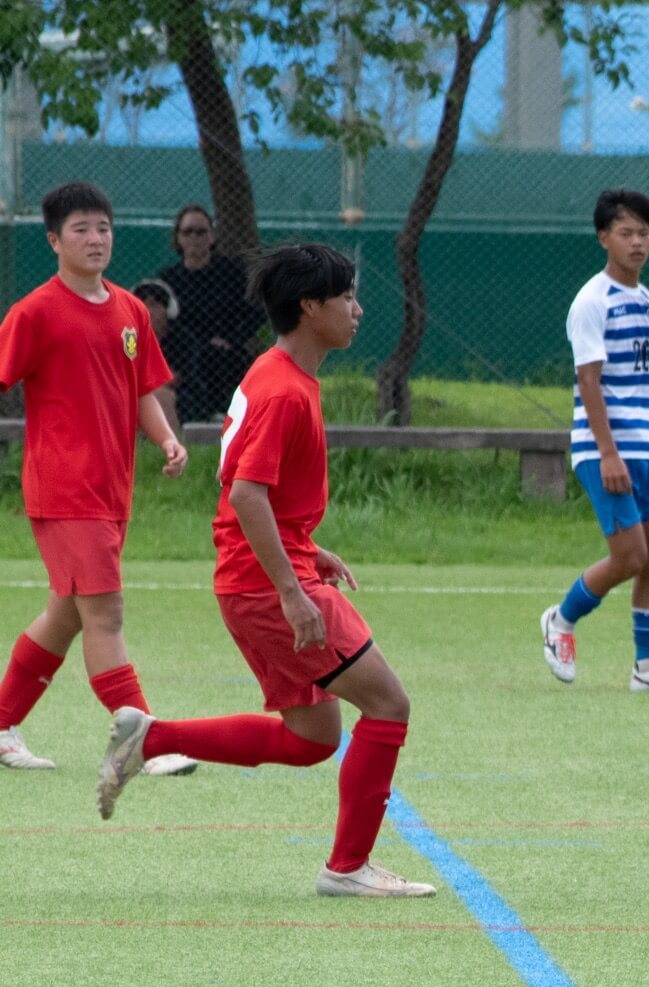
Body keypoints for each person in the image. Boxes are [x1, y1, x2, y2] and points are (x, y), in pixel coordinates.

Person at [96, 242, 436, 898]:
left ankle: (151, 738)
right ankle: (348, 868)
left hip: (256, 577)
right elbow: (247, 494)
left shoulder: (277, 373)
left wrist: (306, 544)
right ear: (310, 307)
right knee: (389, 704)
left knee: (313, 738)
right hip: (265, 587)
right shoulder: (283, 389)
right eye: (347, 297)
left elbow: (248, 490)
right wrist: (292, 589)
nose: (358, 310)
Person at [0, 182, 195, 777]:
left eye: (103, 228)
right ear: (54, 240)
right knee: (104, 615)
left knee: (65, 615)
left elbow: (141, 390)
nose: (95, 238)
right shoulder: (34, 312)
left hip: (112, 492)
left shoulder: (131, 311)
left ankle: (1, 725)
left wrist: (166, 438)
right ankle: (143, 741)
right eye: (81, 229)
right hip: (64, 490)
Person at [539, 188, 649, 694]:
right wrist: (608, 452)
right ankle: (560, 620)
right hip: (606, 450)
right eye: (626, 233)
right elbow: (589, 381)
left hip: (648, 451)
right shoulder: (592, 300)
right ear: (603, 237)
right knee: (630, 556)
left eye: (644, 233)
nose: (637, 242)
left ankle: (647, 671)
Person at [158, 204, 266, 422]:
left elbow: (257, 312)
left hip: (224, 352)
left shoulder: (231, 273)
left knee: (216, 358)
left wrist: (232, 339)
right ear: (178, 237)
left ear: (212, 236)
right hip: (182, 352)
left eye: (201, 232)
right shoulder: (168, 279)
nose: (194, 238)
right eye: (188, 232)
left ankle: (221, 414)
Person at [132, 277, 200, 421]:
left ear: (168, 310)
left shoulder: (183, 339)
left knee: (161, 396)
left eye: (154, 305)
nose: (148, 311)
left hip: (175, 393)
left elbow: (175, 378)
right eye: (142, 304)